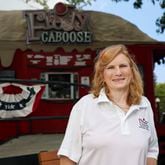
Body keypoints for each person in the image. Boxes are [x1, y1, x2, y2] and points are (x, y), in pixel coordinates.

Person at [57, 44, 159, 165]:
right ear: (102, 75)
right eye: (110, 67)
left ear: (132, 71)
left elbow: (151, 150)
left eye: (123, 66)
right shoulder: (84, 106)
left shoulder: (144, 104)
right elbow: (68, 157)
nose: (118, 72)